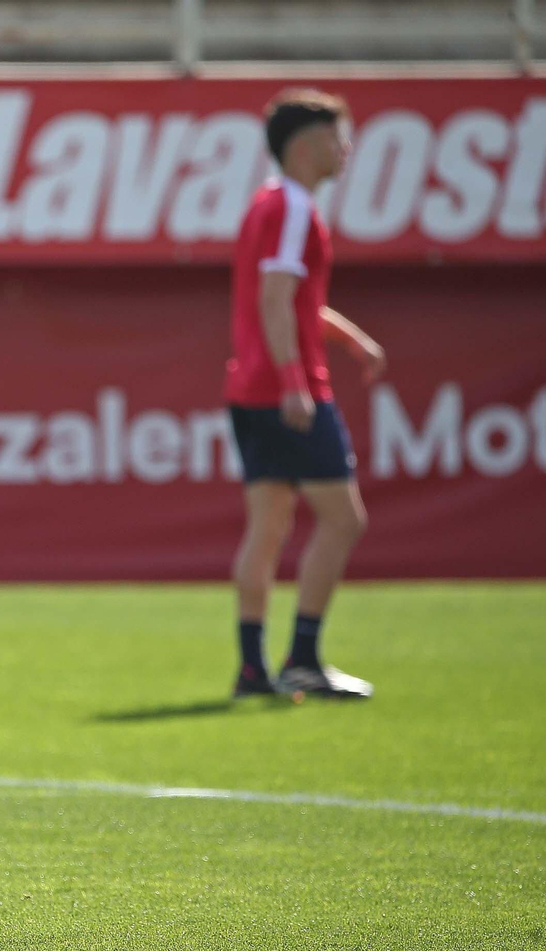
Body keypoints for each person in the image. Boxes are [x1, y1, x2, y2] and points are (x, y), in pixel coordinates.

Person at [226, 88, 387, 701]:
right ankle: (303, 659)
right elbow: (274, 302)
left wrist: (351, 340)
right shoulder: (292, 207)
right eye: (337, 136)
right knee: (344, 521)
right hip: (285, 390)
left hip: (249, 386)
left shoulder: (268, 204)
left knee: (267, 527)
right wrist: (296, 384)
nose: (345, 149)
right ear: (305, 145)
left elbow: (295, 304)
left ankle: (251, 669)